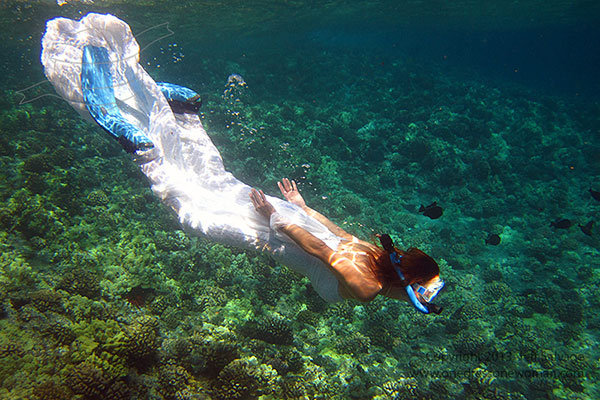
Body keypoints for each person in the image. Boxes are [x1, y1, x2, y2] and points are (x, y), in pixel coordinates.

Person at [40, 13, 444, 313]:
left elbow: (335, 233)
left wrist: (300, 207)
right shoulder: (369, 287)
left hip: (290, 218)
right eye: (423, 293)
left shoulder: (375, 253)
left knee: (215, 180)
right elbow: (322, 250)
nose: (421, 298)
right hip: (274, 231)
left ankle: (183, 110)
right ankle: (139, 140)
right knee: (189, 208)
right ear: (408, 283)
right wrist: (278, 218)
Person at [250, 180, 444, 313]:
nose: (400, 257)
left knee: (256, 231)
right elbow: (340, 234)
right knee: (267, 215)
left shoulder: (368, 288)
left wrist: (278, 220)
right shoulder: (379, 256)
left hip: (312, 262)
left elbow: (321, 251)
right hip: (323, 242)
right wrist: (303, 207)